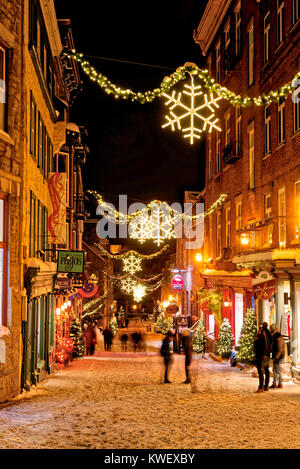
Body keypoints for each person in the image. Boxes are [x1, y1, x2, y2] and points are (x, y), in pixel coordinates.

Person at [254, 327, 270, 392]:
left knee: (261, 371)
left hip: (261, 356)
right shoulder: (268, 336)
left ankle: (261, 387)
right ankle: (266, 386)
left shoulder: (260, 338)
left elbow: (257, 347)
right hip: (266, 355)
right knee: (266, 371)